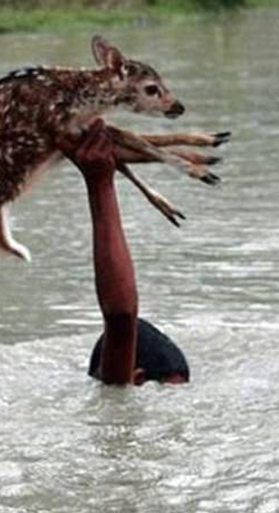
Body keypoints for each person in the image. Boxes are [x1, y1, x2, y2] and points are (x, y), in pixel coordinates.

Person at [64, 120, 189, 385]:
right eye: (170, 393)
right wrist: (100, 185)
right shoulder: (119, 391)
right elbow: (121, 318)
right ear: (138, 379)